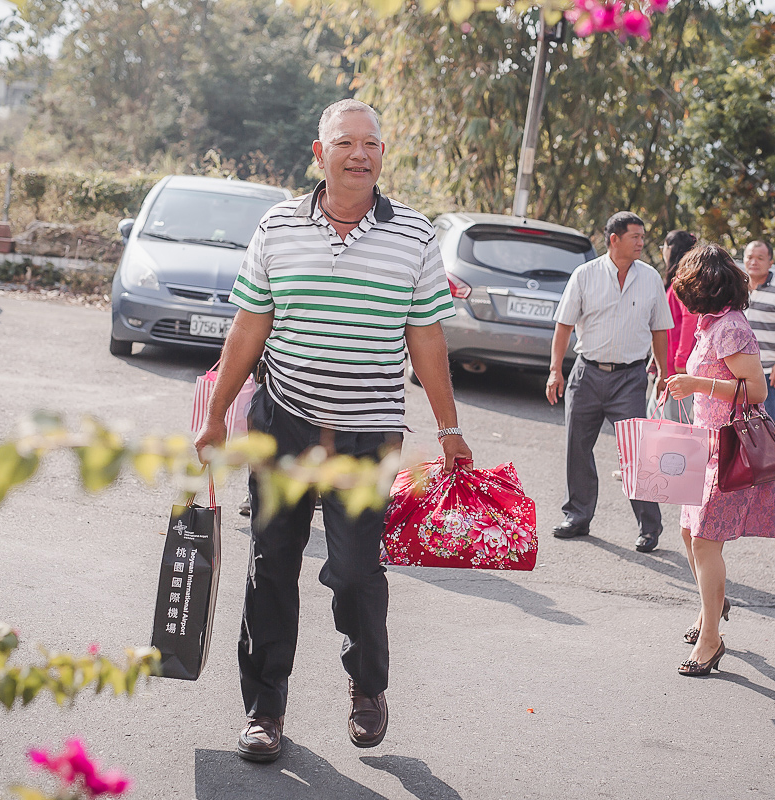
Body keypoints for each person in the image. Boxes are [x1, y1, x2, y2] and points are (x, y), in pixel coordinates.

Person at [194, 99, 473, 762]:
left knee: (352, 572)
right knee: (271, 566)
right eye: (345, 142)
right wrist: (214, 415)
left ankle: (367, 687)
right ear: (319, 155)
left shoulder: (414, 235)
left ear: (382, 154)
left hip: (367, 432)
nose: (360, 154)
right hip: (284, 421)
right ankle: (265, 710)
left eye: (371, 143)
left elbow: (426, 335)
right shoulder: (278, 225)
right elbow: (249, 327)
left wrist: (450, 426)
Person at [665, 244, 775, 677]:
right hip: (702, 444)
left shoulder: (732, 328)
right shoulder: (710, 324)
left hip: (727, 447)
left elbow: (756, 392)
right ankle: (711, 603)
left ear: (705, 287)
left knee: (704, 540)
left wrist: (697, 382)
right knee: (686, 532)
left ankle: (711, 638)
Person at [546, 211, 674, 553]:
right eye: (635, 236)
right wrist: (555, 370)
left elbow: (660, 329)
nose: (642, 243)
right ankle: (577, 516)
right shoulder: (584, 275)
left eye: (643, 237)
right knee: (577, 448)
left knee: (638, 453)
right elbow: (564, 326)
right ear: (614, 239)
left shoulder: (649, 279)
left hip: (630, 378)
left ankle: (650, 527)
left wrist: (662, 372)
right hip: (586, 374)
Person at [741, 240, 775, 430]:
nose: (754, 262)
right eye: (750, 257)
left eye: (760, 258)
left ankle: (774, 460)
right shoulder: (737, 286)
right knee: (738, 424)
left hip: (768, 372)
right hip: (738, 370)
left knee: (768, 425)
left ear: (770, 262)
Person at [661, 230, 699, 421]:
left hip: (677, 366)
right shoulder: (683, 278)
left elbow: (689, 319)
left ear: (671, 249)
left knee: (674, 421)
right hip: (671, 363)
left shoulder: (682, 280)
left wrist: (681, 360)